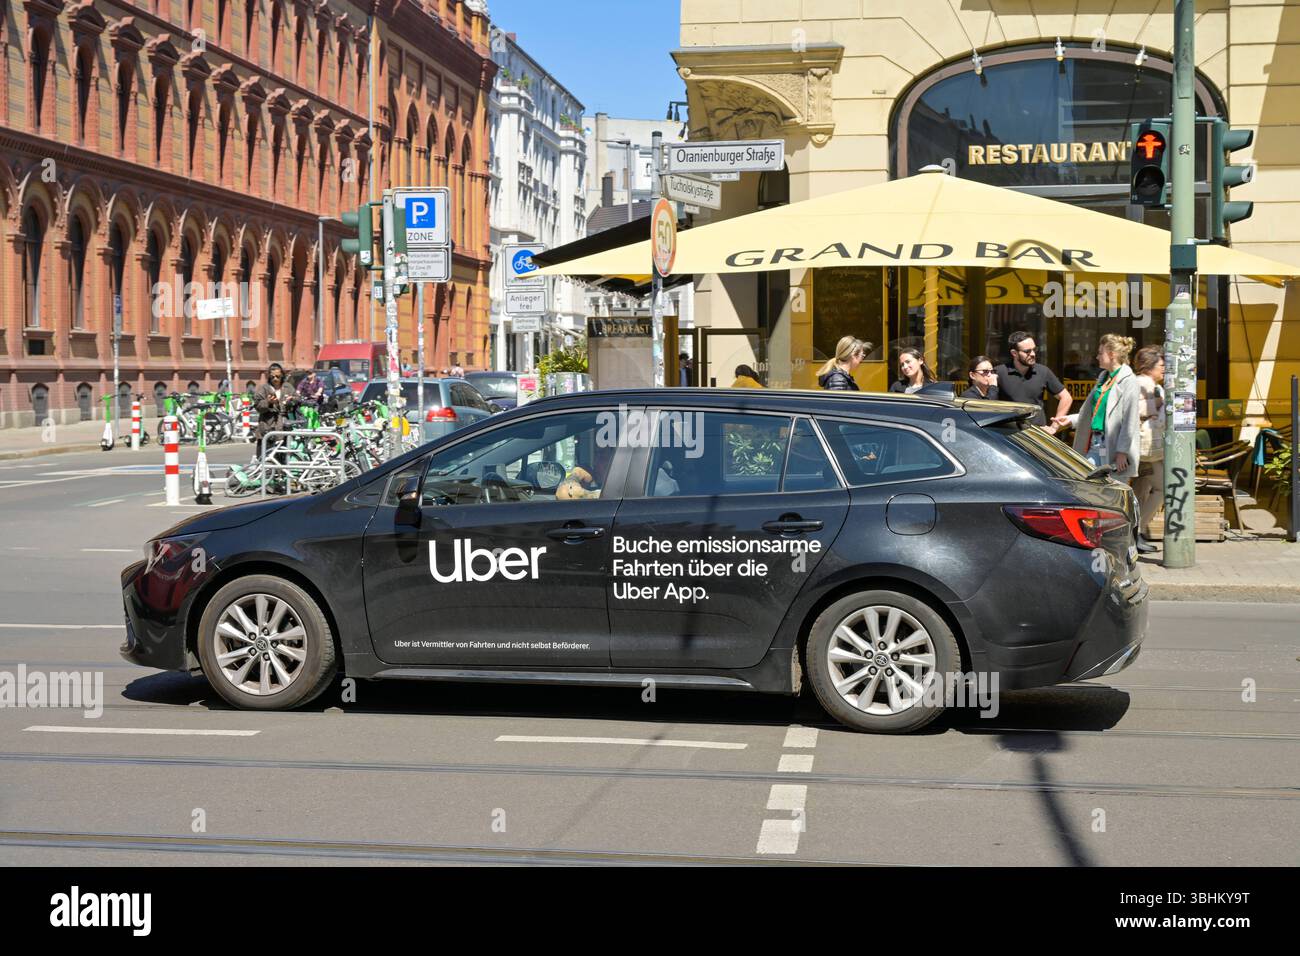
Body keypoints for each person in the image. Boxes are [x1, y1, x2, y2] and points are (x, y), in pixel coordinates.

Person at [1054, 334, 1141, 483]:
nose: (1097, 357)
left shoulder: (1129, 381)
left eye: (1101, 353)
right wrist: (1069, 420)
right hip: (1095, 443)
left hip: (1113, 447)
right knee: (1085, 483)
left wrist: (1122, 452)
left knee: (1111, 495)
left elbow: (1130, 420)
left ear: (1112, 355)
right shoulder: (1103, 377)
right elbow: (1093, 412)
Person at [995, 330, 1072, 431]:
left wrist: (1055, 426)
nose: (1033, 354)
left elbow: (1066, 397)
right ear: (1014, 353)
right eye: (1027, 351)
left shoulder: (1043, 372)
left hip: (1037, 435)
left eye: (1034, 350)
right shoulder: (999, 372)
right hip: (1008, 435)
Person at [1130, 346, 1166, 553]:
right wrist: (1161, 403)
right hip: (1146, 448)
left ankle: (1135, 535)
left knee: (1141, 491)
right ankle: (1136, 530)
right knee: (1162, 488)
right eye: (1161, 366)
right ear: (1149, 366)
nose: (1164, 369)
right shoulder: (1143, 384)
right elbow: (1138, 411)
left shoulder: (1150, 384)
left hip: (1146, 449)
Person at [252, 363, 298, 442]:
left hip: (285, 426)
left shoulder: (288, 387)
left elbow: (297, 399)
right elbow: (257, 406)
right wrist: (268, 402)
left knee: (284, 452)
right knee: (265, 453)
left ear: (282, 375)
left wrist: (292, 400)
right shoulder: (264, 388)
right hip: (267, 426)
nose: (275, 379)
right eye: (272, 377)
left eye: (278, 376)